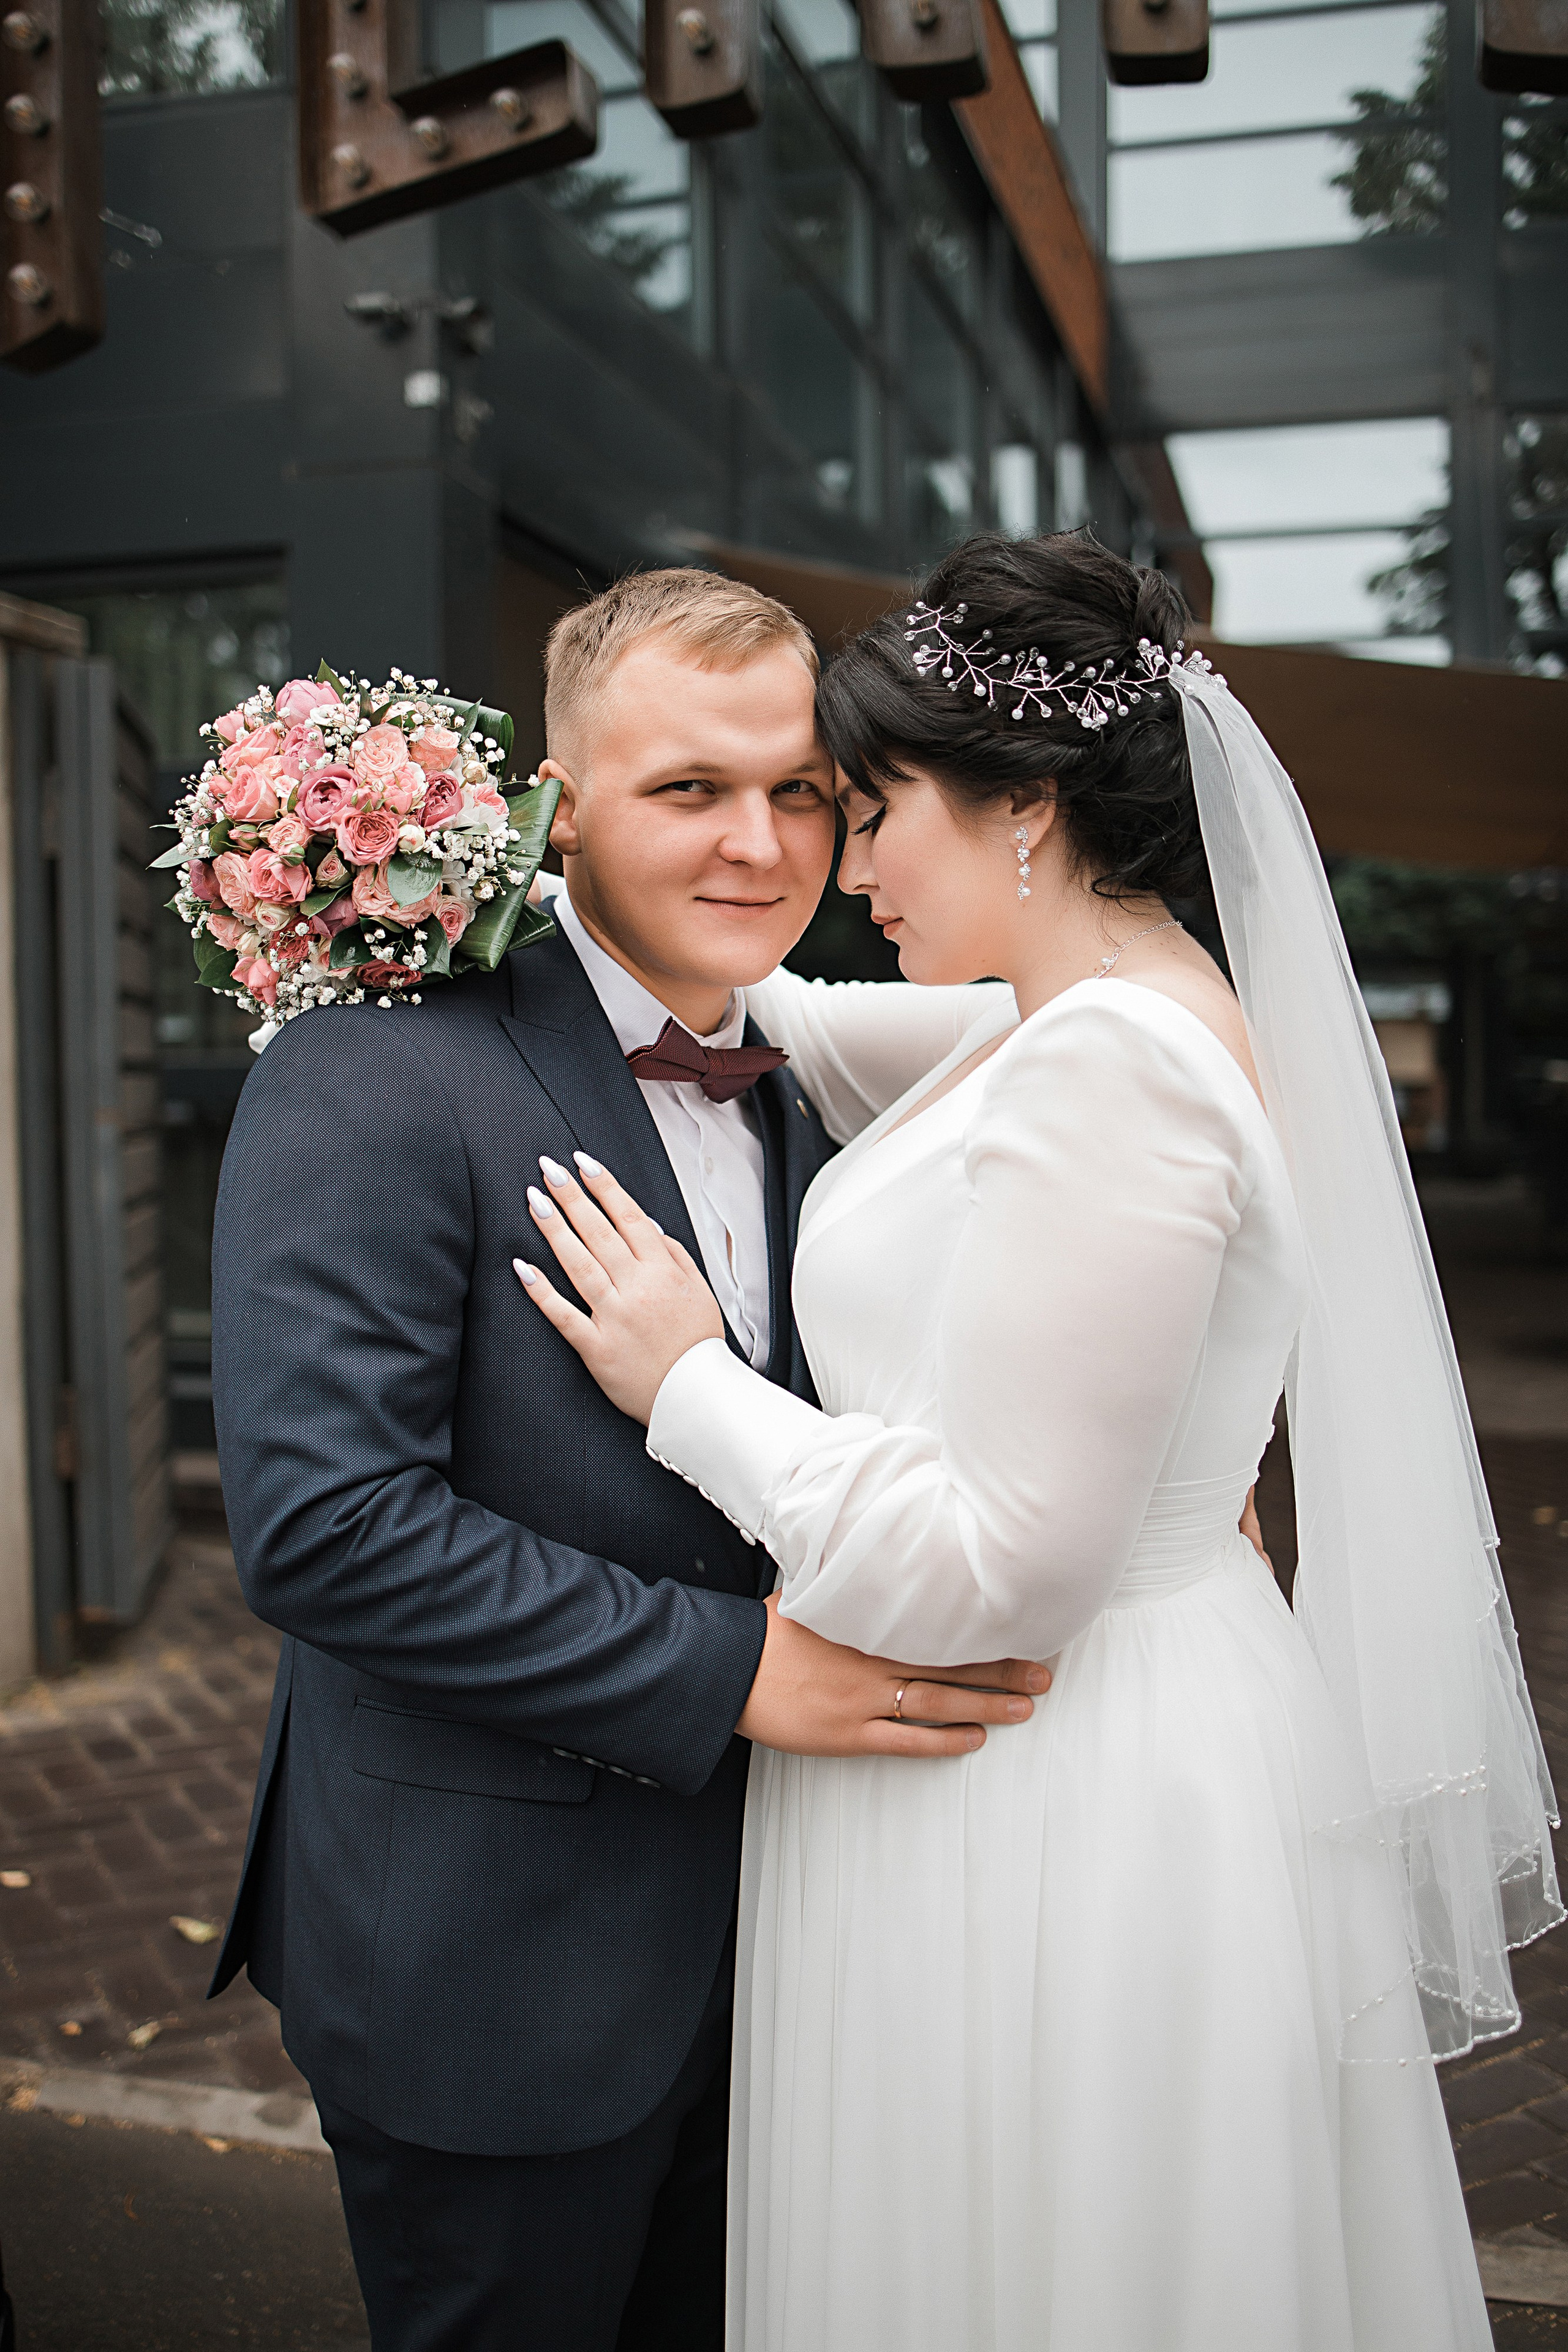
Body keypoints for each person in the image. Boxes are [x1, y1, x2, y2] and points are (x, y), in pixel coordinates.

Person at [516, 530, 1564, 2351]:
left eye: (866, 806)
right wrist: (450, 867)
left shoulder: (1120, 1067)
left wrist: (692, 1385)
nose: (838, 865)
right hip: (1045, 1750)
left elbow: (1004, 1563)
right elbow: (768, 1005)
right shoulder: (1059, 1015)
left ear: (1022, 808)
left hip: (1052, 1773)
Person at [206, 568, 1054, 2352]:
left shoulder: (844, 1080)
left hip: (805, 1965)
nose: (761, 843)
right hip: (494, 1960)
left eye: (802, 791)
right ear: (559, 803)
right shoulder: (371, 1070)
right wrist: (743, 1671)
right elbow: (327, 1530)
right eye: (689, 791)